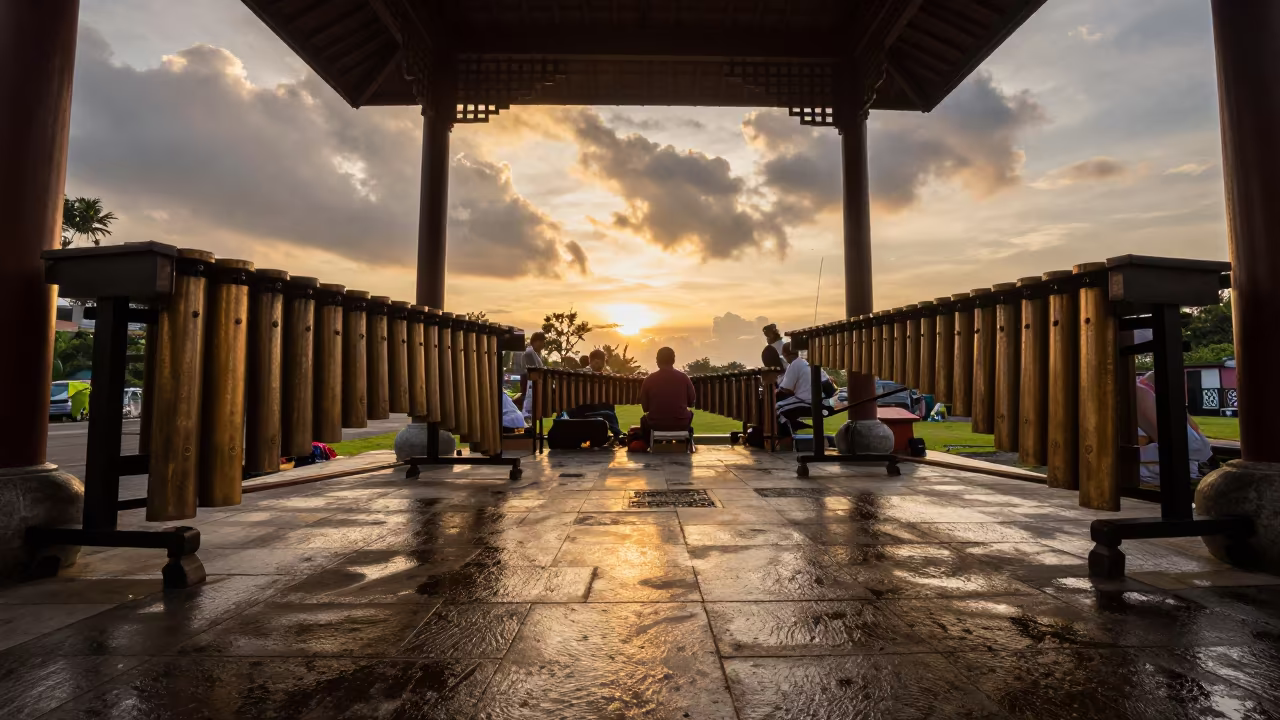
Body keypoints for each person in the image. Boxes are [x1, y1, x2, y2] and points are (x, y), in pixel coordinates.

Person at [1135, 370, 1212, 486]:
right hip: (1187, 459)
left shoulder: (1146, 399)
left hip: (1186, 457)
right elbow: (1196, 431)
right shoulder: (1145, 399)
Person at [774, 342, 833, 438]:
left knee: (777, 410)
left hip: (807, 401)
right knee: (780, 407)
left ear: (785, 355)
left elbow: (786, 389)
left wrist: (774, 392)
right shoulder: (806, 362)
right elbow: (827, 384)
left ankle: (787, 440)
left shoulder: (794, 364)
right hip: (821, 401)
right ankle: (797, 428)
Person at [568, 348, 624, 442]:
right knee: (609, 413)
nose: (603, 366)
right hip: (582, 410)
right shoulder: (583, 375)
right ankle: (618, 435)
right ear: (596, 361)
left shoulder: (594, 375)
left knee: (609, 406)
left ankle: (616, 435)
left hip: (590, 407)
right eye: (603, 363)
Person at [639, 346, 696, 437]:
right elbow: (691, 403)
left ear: (657, 361)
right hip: (681, 424)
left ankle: (649, 443)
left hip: (656, 425)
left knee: (644, 420)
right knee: (690, 413)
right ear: (673, 360)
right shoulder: (684, 378)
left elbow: (645, 408)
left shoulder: (649, 379)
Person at [512, 331, 546, 423]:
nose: (543, 345)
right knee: (530, 401)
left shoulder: (536, 353)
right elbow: (534, 371)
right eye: (542, 342)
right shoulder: (529, 353)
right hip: (529, 380)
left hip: (532, 380)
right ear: (536, 341)